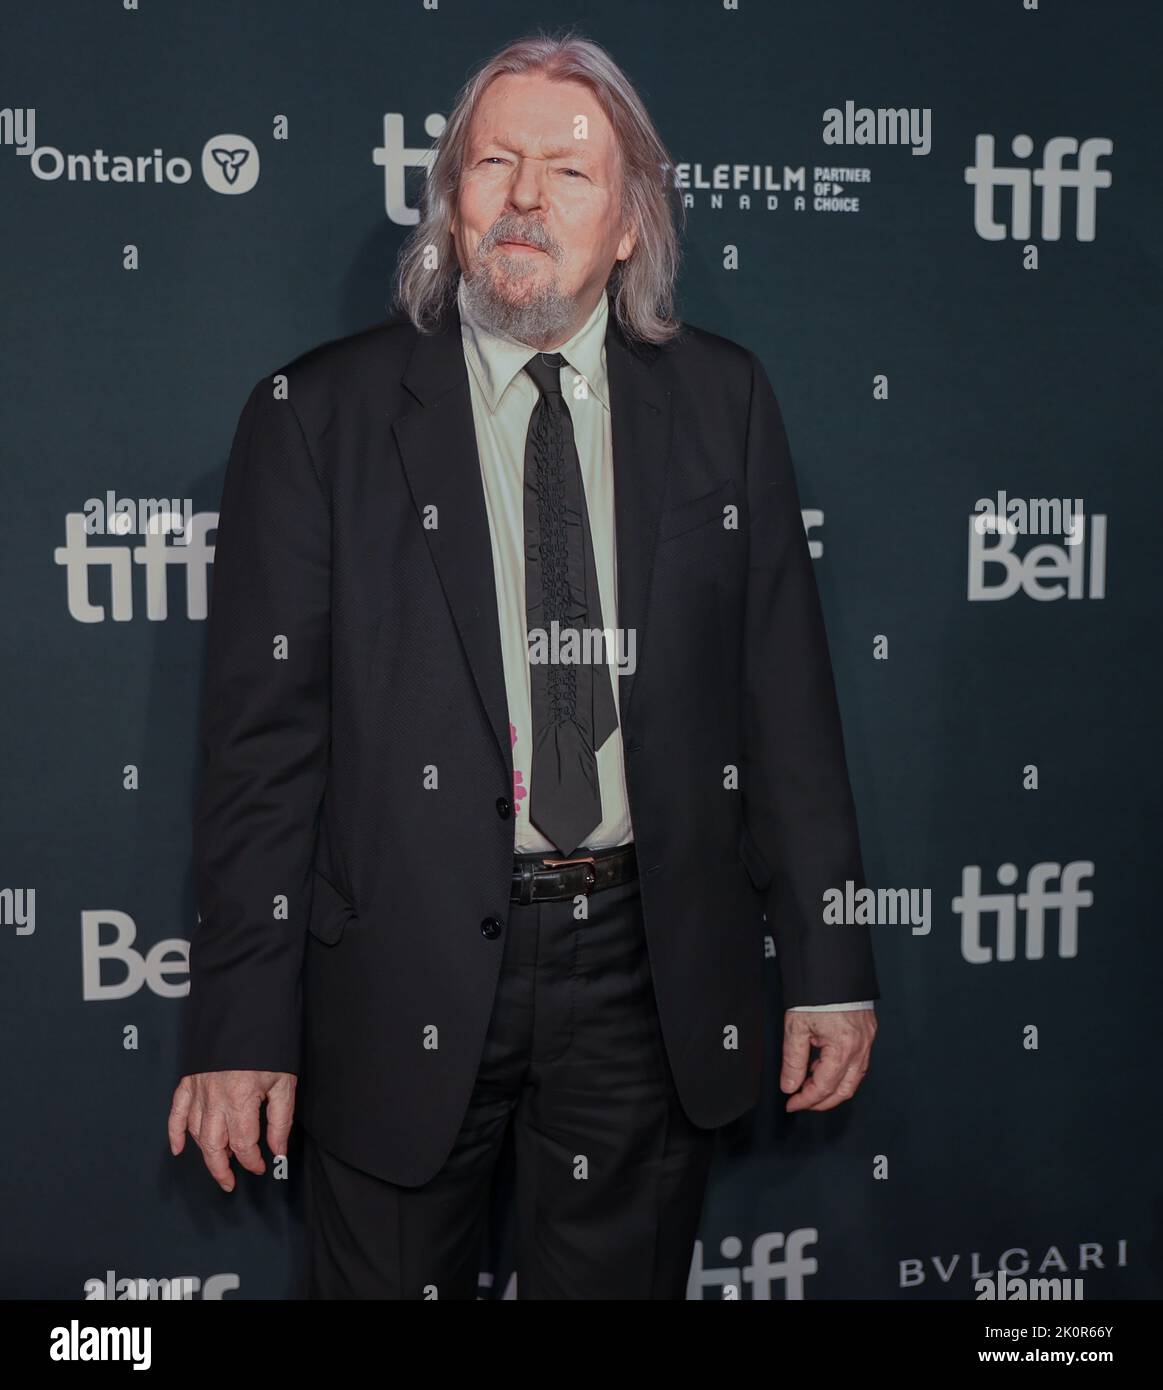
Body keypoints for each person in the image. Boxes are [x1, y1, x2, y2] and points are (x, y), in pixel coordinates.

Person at [168, 30, 879, 1300]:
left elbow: (784, 704)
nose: (523, 198)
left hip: (643, 970)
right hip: (395, 968)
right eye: (491, 163)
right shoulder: (314, 418)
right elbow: (260, 754)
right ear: (448, 201)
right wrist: (236, 1025)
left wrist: (826, 963)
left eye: (567, 170)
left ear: (628, 223)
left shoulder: (725, 402)